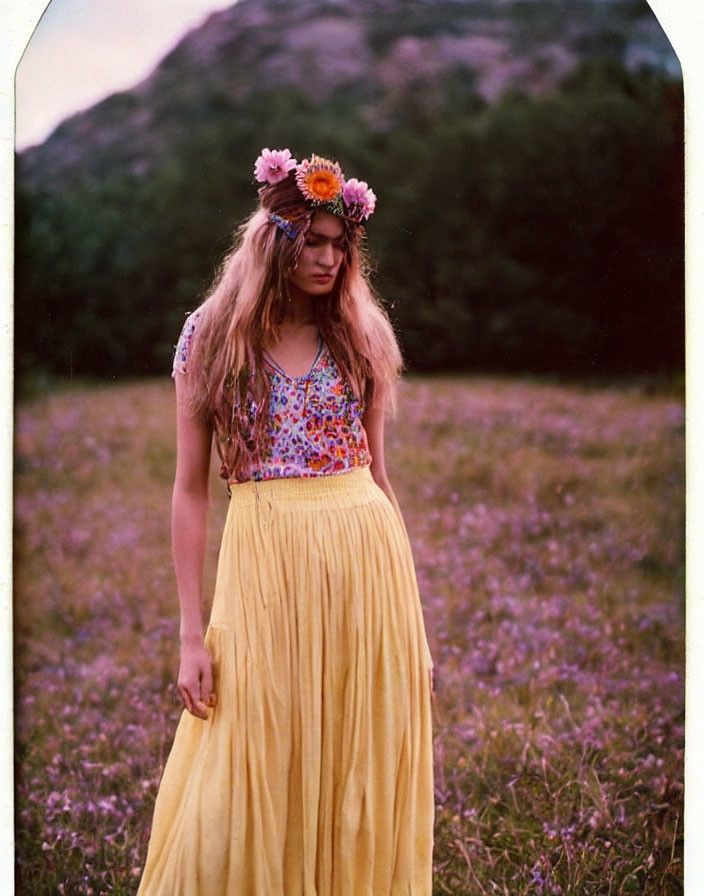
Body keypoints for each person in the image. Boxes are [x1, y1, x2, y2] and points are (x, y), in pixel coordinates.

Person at [137, 149, 434, 896]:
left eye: (342, 245)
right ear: (274, 240)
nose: (330, 258)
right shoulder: (210, 340)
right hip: (264, 558)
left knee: (351, 757)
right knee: (249, 752)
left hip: (364, 554)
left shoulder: (360, 335)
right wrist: (188, 631)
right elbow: (190, 490)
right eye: (315, 241)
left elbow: (379, 475)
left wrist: (415, 626)